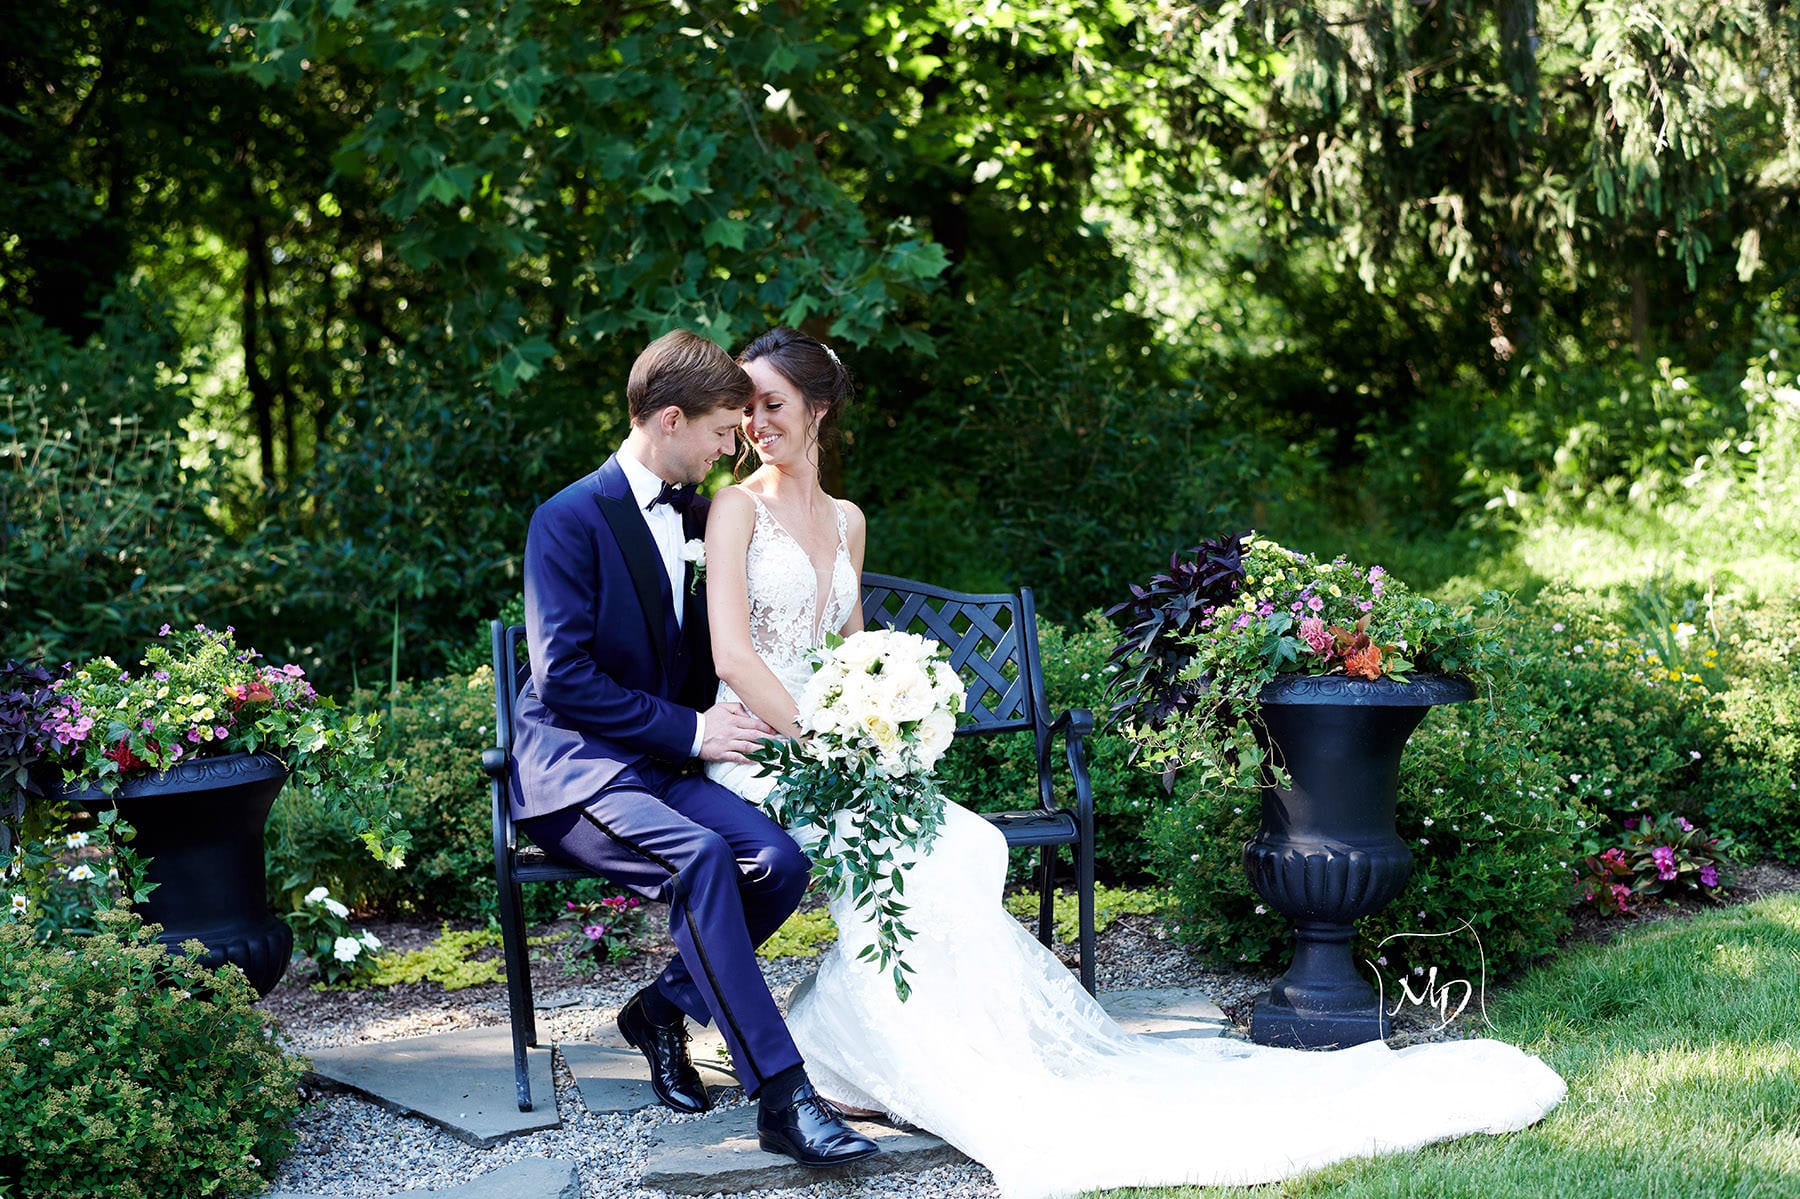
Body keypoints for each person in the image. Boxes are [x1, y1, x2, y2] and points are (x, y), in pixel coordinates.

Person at [703, 327, 1568, 1199]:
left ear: (817, 408)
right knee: (906, 855)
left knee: (962, 844)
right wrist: (833, 740)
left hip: (842, 748)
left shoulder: (848, 518)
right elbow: (736, 657)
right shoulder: (735, 508)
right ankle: (882, 1049)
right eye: (745, 407)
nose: (753, 423)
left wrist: (880, 720)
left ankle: (941, 1046)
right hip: (766, 751)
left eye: (770, 404)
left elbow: (856, 654)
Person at [508, 329, 878, 1169]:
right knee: (706, 857)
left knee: (778, 861)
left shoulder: (706, 514)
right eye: (720, 428)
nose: (731, 444)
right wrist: (694, 730)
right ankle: (784, 1096)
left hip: (662, 766)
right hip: (579, 772)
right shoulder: (567, 518)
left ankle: (662, 1006)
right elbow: (562, 677)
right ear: (670, 420)